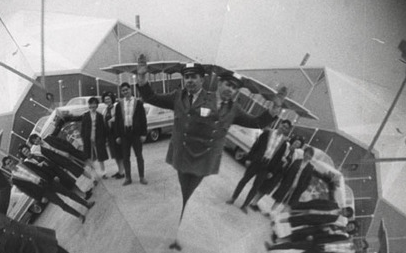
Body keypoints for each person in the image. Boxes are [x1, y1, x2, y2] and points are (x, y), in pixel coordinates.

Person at [136, 58, 284, 237]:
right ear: (219, 83)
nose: (230, 89)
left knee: (190, 189)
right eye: (228, 84)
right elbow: (154, 99)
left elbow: (257, 122)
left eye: (234, 88)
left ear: (237, 91)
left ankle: (181, 215)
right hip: (184, 154)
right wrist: (142, 79)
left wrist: (274, 109)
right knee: (184, 187)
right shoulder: (202, 97)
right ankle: (180, 216)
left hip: (206, 160)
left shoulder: (235, 109)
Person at [226, 119, 292, 212]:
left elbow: (278, 159)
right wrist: (249, 158)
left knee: (256, 187)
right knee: (244, 180)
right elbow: (256, 146)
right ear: (280, 124)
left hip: (266, 167)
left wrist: (272, 172)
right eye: (283, 125)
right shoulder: (267, 133)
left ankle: (245, 205)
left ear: (287, 130)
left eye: (286, 128)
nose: (283, 128)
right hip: (256, 162)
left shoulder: (283, 144)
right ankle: (233, 198)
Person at [114, 81, 148, 185]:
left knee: (139, 156)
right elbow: (117, 121)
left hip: (136, 134)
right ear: (121, 92)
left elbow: (143, 119)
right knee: (125, 157)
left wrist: (144, 134)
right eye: (123, 90)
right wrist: (117, 136)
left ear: (130, 90)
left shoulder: (138, 103)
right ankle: (128, 178)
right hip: (124, 134)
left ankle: (142, 177)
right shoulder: (119, 105)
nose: (125, 92)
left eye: (126, 90)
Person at [80, 97, 109, 175]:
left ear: (97, 105)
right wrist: (83, 138)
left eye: (94, 104)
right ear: (89, 105)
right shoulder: (85, 115)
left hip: (98, 138)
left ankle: (103, 172)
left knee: (100, 156)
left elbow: (103, 128)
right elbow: (83, 128)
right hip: (88, 139)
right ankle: (92, 173)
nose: (93, 106)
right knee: (89, 156)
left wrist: (104, 139)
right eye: (91, 104)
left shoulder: (100, 116)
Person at [102, 91, 124, 178]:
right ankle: (119, 170)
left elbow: (120, 119)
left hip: (116, 134)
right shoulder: (105, 110)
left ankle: (122, 172)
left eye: (108, 99)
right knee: (115, 154)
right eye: (105, 99)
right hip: (110, 135)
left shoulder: (116, 108)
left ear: (112, 99)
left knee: (119, 154)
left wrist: (112, 120)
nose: (107, 101)